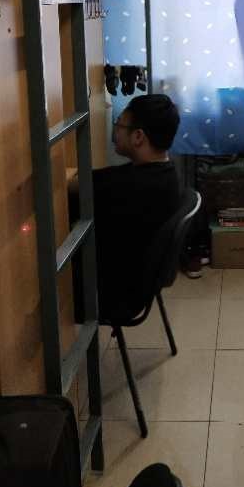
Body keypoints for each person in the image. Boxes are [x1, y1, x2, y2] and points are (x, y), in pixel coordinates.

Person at [88, 94, 181, 322]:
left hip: (111, 295)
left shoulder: (130, 188)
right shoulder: (163, 172)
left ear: (138, 137)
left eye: (119, 124)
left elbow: (95, 186)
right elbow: (103, 179)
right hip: (135, 285)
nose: (115, 131)